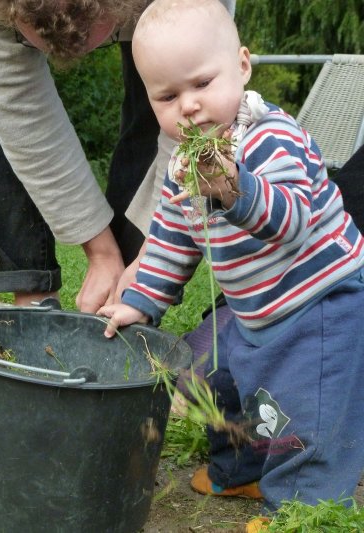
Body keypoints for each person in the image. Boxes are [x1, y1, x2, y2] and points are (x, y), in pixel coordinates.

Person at [99, 0, 364, 530]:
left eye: (202, 84)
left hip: (319, 304)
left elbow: (291, 221)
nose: (189, 107)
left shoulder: (271, 137)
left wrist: (237, 190)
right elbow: (172, 241)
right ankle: (241, 469)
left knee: (304, 414)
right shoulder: (180, 167)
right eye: (168, 96)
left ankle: (303, 511)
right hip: (256, 309)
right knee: (220, 384)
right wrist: (139, 302)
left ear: (242, 66)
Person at [0, 0, 155, 311]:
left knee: (176, 91)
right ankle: (33, 297)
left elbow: (189, 123)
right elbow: (18, 109)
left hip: (164, 13)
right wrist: (100, 252)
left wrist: (155, 255)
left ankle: (133, 289)